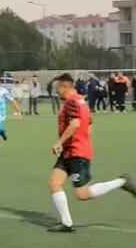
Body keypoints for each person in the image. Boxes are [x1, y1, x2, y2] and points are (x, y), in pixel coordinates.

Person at [45, 74, 136, 233]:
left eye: (57, 88)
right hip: (70, 151)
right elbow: (89, 122)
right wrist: (81, 138)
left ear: (64, 87)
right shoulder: (81, 100)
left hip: (76, 153)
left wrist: (60, 142)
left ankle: (122, 181)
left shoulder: (72, 102)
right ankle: (67, 224)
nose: (56, 92)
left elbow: (75, 123)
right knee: (54, 183)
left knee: (81, 194)